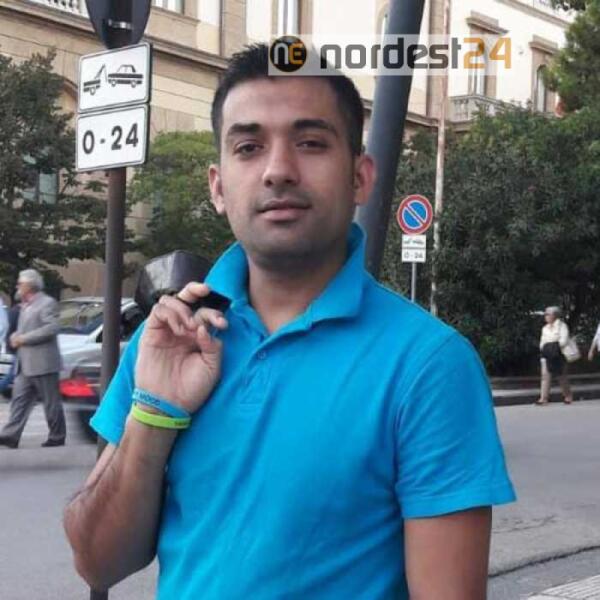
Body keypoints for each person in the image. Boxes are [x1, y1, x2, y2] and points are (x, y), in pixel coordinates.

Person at [64, 44, 515, 599]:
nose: (278, 170)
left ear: (360, 177)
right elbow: (97, 561)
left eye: (310, 143)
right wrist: (155, 413)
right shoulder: (174, 333)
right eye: (249, 147)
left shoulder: (428, 365)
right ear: (218, 186)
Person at [0, 269, 66, 448]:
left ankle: (57, 435)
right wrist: (15, 336)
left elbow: (52, 328)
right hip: (25, 364)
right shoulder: (25, 305)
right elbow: (26, 329)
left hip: (43, 363)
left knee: (50, 402)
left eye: (20, 284)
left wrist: (24, 338)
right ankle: (10, 435)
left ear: (30, 285)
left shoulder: (47, 303)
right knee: (19, 400)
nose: (17, 287)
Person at [536, 306, 574, 405]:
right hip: (547, 354)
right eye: (545, 314)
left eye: (548, 314)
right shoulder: (545, 328)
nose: (546, 316)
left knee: (561, 376)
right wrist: (545, 348)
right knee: (545, 376)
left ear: (555, 316)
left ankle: (568, 395)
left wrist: (552, 346)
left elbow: (564, 340)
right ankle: (543, 398)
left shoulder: (562, 326)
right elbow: (542, 342)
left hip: (559, 354)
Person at [0, 295, 20, 394]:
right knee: (14, 372)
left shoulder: (14, 311)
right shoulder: (18, 311)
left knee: (15, 371)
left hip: (14, 345)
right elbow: (3, 326)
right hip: (17, 345)